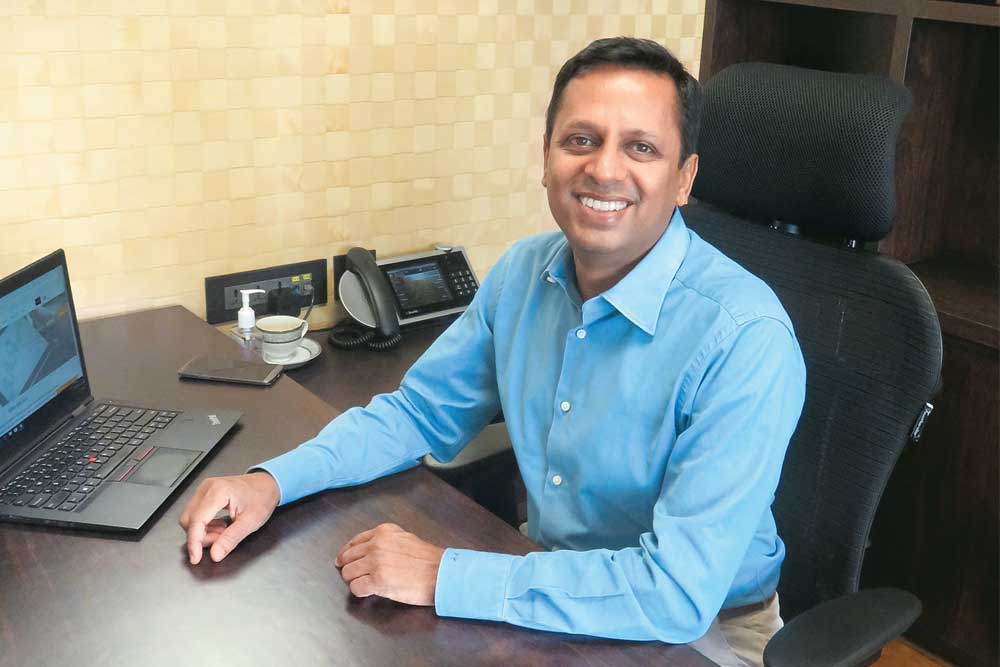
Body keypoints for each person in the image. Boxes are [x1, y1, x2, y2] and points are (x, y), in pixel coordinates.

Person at [180, 37, 806, 667]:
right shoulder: (523, 274)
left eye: (640, 147)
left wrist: (445, 575)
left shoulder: (744, 338)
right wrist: (273, 482)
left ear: (684, 179)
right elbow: (417, 414)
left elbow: (674, 592)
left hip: (701, 633)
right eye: (581, 140)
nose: (604, 169)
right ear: (546, 158)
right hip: (547, 585)